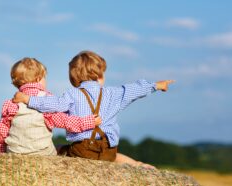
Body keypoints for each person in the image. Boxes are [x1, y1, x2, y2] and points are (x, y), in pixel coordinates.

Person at [12, 51, 174, 168]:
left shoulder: (72, 94)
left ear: (74, 79)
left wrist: (27, 99)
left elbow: (52, 104)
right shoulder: (113, 93)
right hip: (108, 150)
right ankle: (139, 165)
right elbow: (135, 90)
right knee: (114, 158)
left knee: (60, 149)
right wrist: (156, 85)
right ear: (100, 77)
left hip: (83, 150)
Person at [0, 57, 101, 155]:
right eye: (44, 78)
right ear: (38, 79)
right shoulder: (46, 100)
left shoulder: (11, 103)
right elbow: (65, 121)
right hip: (42, 153)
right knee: (59, 152)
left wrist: (3, 153)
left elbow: (1, 132)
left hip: (14, 153)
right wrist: (89, 122)